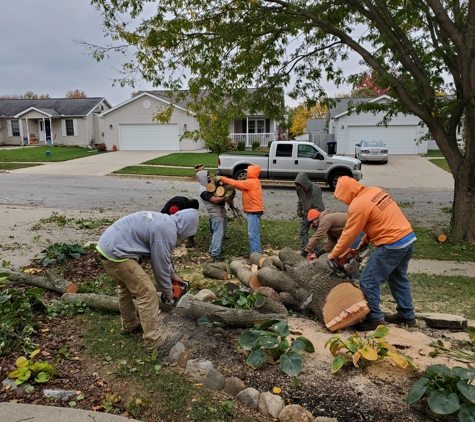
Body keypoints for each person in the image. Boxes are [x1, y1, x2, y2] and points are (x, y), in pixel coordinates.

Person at [96, 209, 199, 352]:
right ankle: (154, 342)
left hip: (107, 247)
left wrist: (173, 276)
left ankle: (130, 324)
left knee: (125, 288)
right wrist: (168, 292)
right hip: (117, 253)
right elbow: (159, 265)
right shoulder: (167, 232)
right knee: (147, 292)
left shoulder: (165, 222)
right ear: (187, 227)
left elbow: (161, 256)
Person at [328, 176, 417, 331]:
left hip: (391, 245)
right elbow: (382, 220)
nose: (342, 201)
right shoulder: (375, 191)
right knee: (398, 278)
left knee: (368, 281)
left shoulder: (358, 205)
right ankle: (406, 314)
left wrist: (333, 255)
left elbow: (348, 234)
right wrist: (366, 240)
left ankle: (374, 318)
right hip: (407, 238)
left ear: (345, 192)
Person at [216, 165, 263, 254]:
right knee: (253, 233)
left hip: (254, 211)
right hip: (254, 211)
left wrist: (222, 178)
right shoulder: (253, 182)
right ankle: (256, 253)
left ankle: (256, 254)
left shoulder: (250, 182)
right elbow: (240, 186)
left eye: (248, 171)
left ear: (252, 172)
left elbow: (235, 183)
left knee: (253, 234)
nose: (247, 173)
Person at [197, 169, 229, 261]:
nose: (208, 177)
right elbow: (215, 200)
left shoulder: (208, 187)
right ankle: (215, 253)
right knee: (218, 233)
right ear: (202, 178)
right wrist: (226, 195)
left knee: (216, 233)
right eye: (206, 175)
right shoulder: (204, 191)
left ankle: (212, 249)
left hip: (218, 212)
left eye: (208, 175)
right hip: (216, 213)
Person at [294, 172, 325, 254]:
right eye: (299, 186)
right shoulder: (299, 189)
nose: (301, 188)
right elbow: (300, 200)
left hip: (316, 215)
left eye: (301, 186)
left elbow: (320, 207)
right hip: (306, 214)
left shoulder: (315, 190)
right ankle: (305, 249)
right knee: (303, 231)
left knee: (316, 234)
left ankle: (317, 251)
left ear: (305, 183)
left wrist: (317, 219)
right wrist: (299, 210)